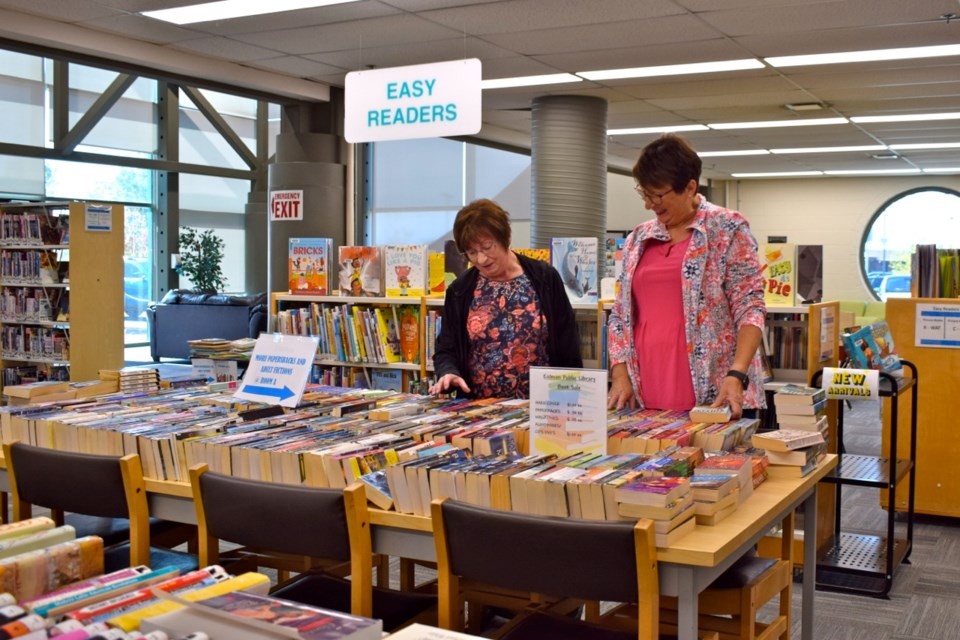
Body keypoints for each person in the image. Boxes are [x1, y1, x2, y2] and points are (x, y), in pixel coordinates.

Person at [606, 134, 766, 418]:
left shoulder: (727, 228)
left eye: (658, 194)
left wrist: (737, 373)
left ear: (690, 187)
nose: (650, 204)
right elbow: (620, 314)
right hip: (646, 388)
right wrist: (620, 373)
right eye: (644, 193)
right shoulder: (638, 238)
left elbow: (749, 306)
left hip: (716, 389)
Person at [429, 199, 582, 398]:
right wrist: (448, 372)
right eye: (472, 252)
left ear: (506, 237)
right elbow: (446, 348)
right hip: (478, 410)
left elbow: (567, 343)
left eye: (487, 247)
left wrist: (569, 399)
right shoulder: (460, 291)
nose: (481, 259)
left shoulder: (544, 277)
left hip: (543, 406)